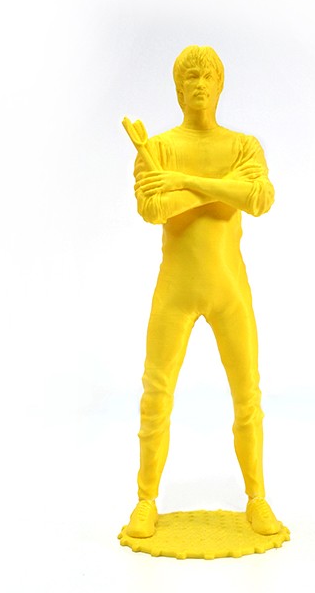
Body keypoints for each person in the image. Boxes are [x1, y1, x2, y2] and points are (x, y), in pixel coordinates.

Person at [125, 45, 281, 538]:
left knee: (247, 395)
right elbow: (153, 209)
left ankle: (257, 498)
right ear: (178, 90)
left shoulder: (243, 147)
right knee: (156, 393)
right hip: (175, 289)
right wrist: (218, 187)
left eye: (206, 77)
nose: (198, 85)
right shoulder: (158, 148)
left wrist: (181, 183)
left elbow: (259, 198)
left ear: (219, 86)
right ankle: (146, 500)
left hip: (229, 289)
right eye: (189, 78)